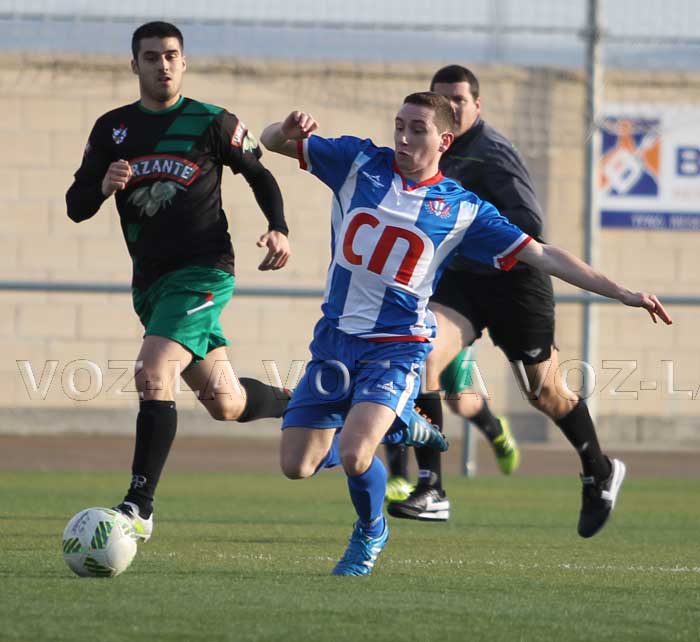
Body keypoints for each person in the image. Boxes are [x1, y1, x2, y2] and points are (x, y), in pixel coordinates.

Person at [260, 92, 670, 575]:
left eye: (417, 129)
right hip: (334, 338)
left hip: (396, 346)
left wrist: (622, 292)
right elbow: (271, 143)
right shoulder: (358, 162)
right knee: (296, 466)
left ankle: (370, 533)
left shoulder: (461, 209)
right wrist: (284, 130)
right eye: (399, 126)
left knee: (354, 454)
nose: (403, 138)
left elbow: (542, 254)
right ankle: (394, 419)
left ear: (444, 141)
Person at [65, 21, 297, 542]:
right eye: (151, 57)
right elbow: (75, 207)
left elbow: (260, 175)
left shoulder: (212, 121)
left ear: (184, 62)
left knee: (152, 371)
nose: (163, 65)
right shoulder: (112, 129)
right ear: (135, 65)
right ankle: (304, 401)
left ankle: (138, 505)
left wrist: (278, 227)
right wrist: (102, 186)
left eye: (171, 55)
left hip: (204, 271)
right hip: (151, 285)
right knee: (226, 403)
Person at [386, 64, 627, 537]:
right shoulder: (426, 146)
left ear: (477, 105)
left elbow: (529, 226)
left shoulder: (493, 155)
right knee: (422, 353)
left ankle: (599, 470)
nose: (452, 107)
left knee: (545, 394)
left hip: (515, 283)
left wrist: (470, 230)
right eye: (443, 99)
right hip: (462, 283)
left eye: (460, 99)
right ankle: (432, 487)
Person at [384, 344, 518, 505]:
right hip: (410, 337)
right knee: (400, 388)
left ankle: (496, 430)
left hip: (450, 333)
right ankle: (399, 477)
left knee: (458, 401)